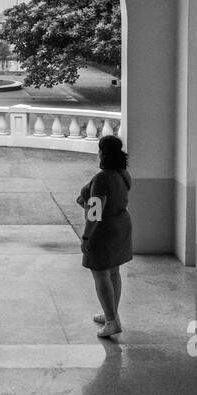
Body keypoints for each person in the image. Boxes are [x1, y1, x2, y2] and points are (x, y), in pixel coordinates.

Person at [77, 135, 132, 338]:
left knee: (100, 274)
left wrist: (86, 237)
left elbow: (95, 211)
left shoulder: (102, 178)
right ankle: (112, 315)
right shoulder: (123, 173)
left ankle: (111, 321)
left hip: (104, 229)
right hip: (122, 224)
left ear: (102, 152)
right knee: (114, 272)